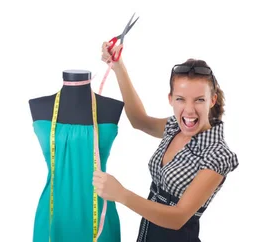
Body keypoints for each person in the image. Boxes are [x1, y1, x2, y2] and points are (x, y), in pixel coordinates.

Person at [92, 42, 239, 242]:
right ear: (170, 99)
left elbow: (177, 218)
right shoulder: (173, 128)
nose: (189, 110)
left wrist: (121, 194)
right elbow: (139, 121)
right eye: (180, 99)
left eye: (199, 100)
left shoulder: (218, 155)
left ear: (212, 100)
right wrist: (118, 66)